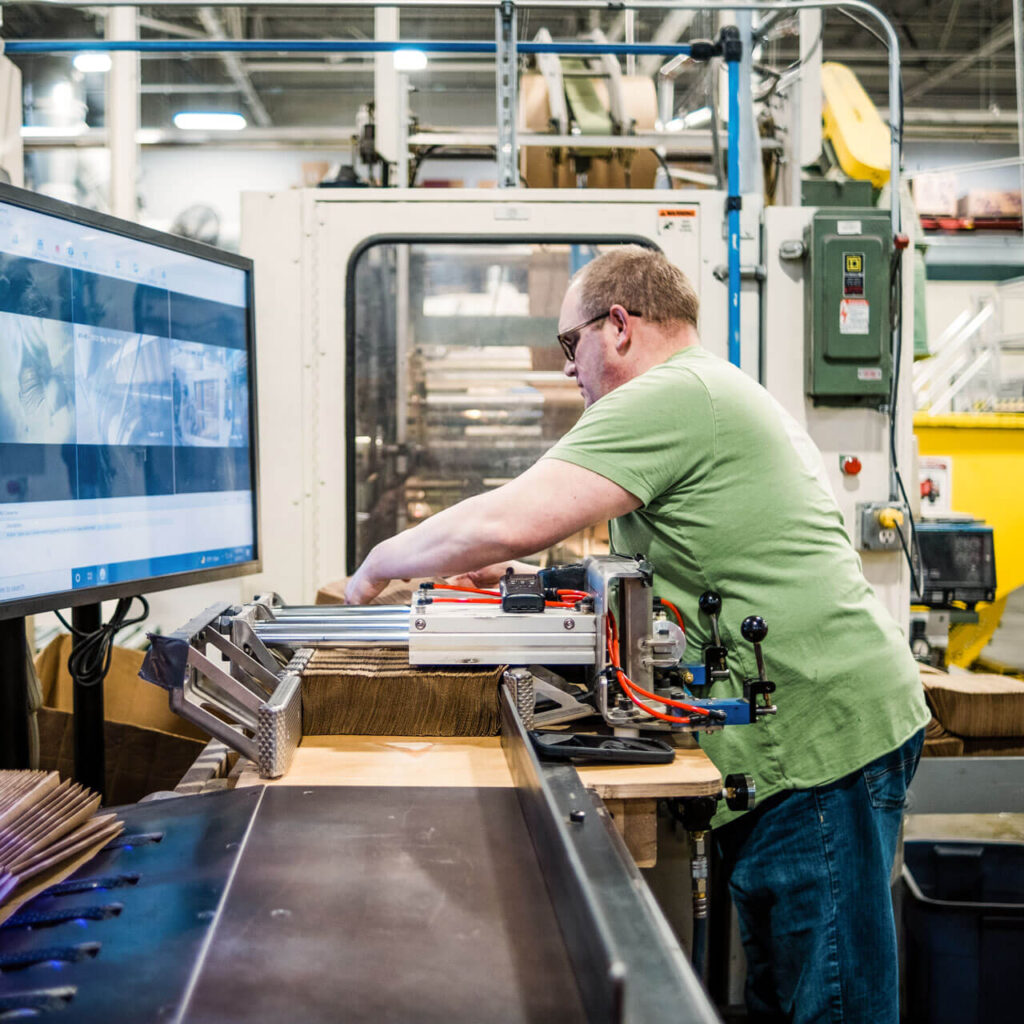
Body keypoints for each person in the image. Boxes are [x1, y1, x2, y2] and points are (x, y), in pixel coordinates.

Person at [345, 245, 929, 1023]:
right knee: (792, 994)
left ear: (618, 325)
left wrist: (378, 562)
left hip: (817, 743)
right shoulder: (706, 388)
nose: (566, 370)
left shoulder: (669, 395)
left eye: (567, 345)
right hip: (812, 730)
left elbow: (509, 518)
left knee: (827, 1004)